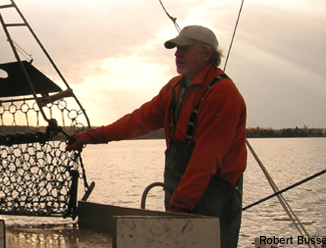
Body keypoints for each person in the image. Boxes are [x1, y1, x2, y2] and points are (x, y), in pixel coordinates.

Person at [67, 25, 246, 248]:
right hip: (179, 195)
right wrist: (91, 136)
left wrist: (178, 209)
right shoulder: (174, 88)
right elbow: (136, 122)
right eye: (176, 48)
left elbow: (206, 159)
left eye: (185, 48)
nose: (177, 53)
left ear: (207, 54)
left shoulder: (223, 94)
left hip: (215, 198)